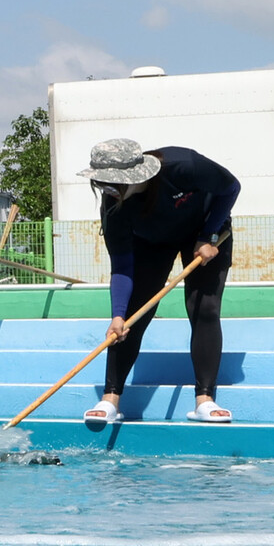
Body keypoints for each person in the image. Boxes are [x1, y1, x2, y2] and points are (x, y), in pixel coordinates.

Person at [79, 139, 241, 424]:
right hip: (153, 242)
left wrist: (209, 235)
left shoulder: (183, 166)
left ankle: (205, 399)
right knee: (131, 317)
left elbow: (230, 188)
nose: (106, 191)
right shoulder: (114, 208)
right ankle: (111, 399)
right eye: (100, 184)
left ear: (132, 177)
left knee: (204, 307)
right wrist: (117, 315)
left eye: (110, 184)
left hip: (206, 230)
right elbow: (122, 267)